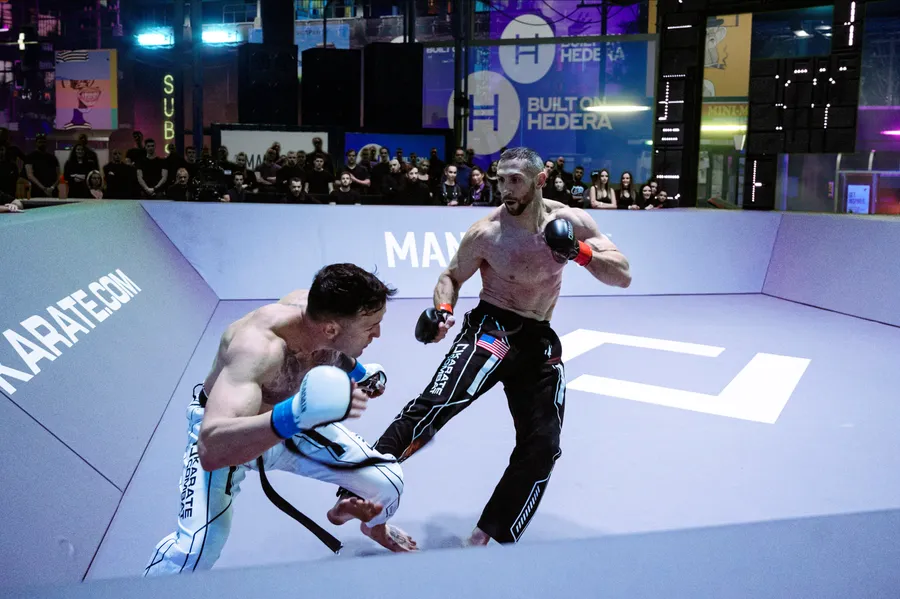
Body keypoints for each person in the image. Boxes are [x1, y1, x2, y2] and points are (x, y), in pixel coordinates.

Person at [370, 147, 632, 546]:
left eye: (515, 180)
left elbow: (623, 275)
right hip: (491, 329)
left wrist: (578, 252)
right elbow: (451, 277)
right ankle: (359, 492)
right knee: (437, 405)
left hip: (539, 339)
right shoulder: (487, 233)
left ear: (540, 180)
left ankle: (488, 536)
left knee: (543, 445)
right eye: (500, 180)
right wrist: (443, 311)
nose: (506, 189)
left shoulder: (572, 221)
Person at [144, 264, 417, 577]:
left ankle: (375, 529)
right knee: (197, 549)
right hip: (232, 434)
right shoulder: (258, 348)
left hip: (291, 421)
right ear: (330, 329)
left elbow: (338, 350)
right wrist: (294, 416)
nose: (378, 333)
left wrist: (361, 374)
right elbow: (211, 450)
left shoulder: (322, 317)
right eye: (371, 326)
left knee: (388, 481)